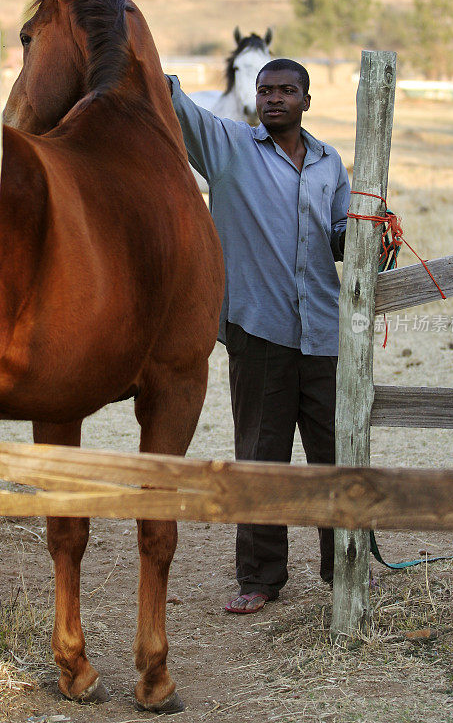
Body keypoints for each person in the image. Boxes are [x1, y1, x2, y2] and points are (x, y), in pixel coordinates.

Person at [165, 59, 351, 613]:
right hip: (258, 329)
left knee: (335, 455)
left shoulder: (329, 163)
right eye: (265, 91)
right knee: (261, 457)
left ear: (306, 100)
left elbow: (341, 236)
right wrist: (127, 28)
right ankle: (260, 578)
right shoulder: (229, 149)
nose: (274, 100)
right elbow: (177, 105)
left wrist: (370, 235)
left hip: (323, 330)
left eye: (286, 91)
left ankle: (344, 568)